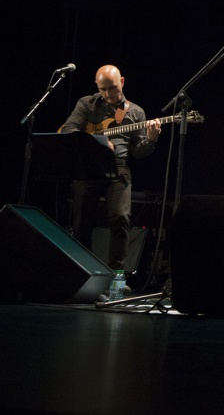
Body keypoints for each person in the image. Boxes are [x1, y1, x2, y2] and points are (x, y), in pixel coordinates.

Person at [58, 65, 161, 284]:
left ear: (122, 82)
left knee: (121, 218)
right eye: (102, 89)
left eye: (112, 88)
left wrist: (151, 140)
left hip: (119, 168)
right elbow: (68, 130)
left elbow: (138, 152)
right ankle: (83, 275)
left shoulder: (136, 112)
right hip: (89, 167)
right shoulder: (86, 104)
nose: (107, 94)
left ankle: (117, 278)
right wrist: (97, 144)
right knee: (81, 223)